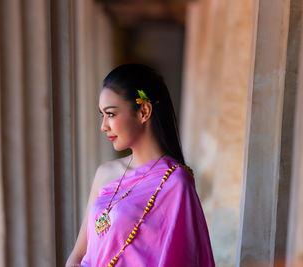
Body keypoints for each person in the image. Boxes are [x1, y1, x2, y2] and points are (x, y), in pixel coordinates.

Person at [66, 64, 215, 267]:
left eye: (110, 114)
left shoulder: (174, 182)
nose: (103, 126)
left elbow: (183, 259)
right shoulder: (105, 173)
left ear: (144, 111)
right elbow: (78, 254)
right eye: (103, 115)